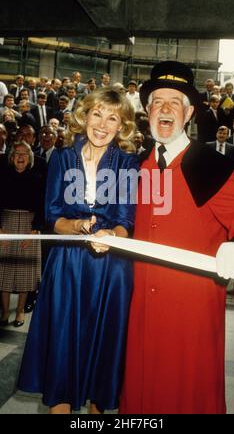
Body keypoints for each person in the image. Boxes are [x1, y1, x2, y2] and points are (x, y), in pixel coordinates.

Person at [119, 61, 234, 415]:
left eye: (175, 102)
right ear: (148, 112)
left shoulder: (209, 165)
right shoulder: (136, 167)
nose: (165, 108)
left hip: (191, 318)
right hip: (141, 314)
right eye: (157, 101)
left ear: (188, 113)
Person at [18, 87, 139, 414]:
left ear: (122, 125)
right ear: (84, 115)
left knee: (102, 353)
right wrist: (79, 227)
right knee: (61, 347)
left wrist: (110, 234)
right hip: (68, 264)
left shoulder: (128, 162)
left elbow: (126, 219)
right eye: (97, 114)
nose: (102, 124)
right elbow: (52, 215)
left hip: (111, 268)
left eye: (112, 117)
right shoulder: (61, 157)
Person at [0, 141, 45, 327]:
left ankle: (20, 311)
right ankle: (5, 312)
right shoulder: (2, 177)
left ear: (29, 159)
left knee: (25, 273)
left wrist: (34, 231)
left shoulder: (38, 179)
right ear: (11, 158)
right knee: (3, 271)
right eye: (17, 154)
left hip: (29, 226)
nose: (20, 157)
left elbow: (41, 208)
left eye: (25, 154)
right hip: (6, 224)